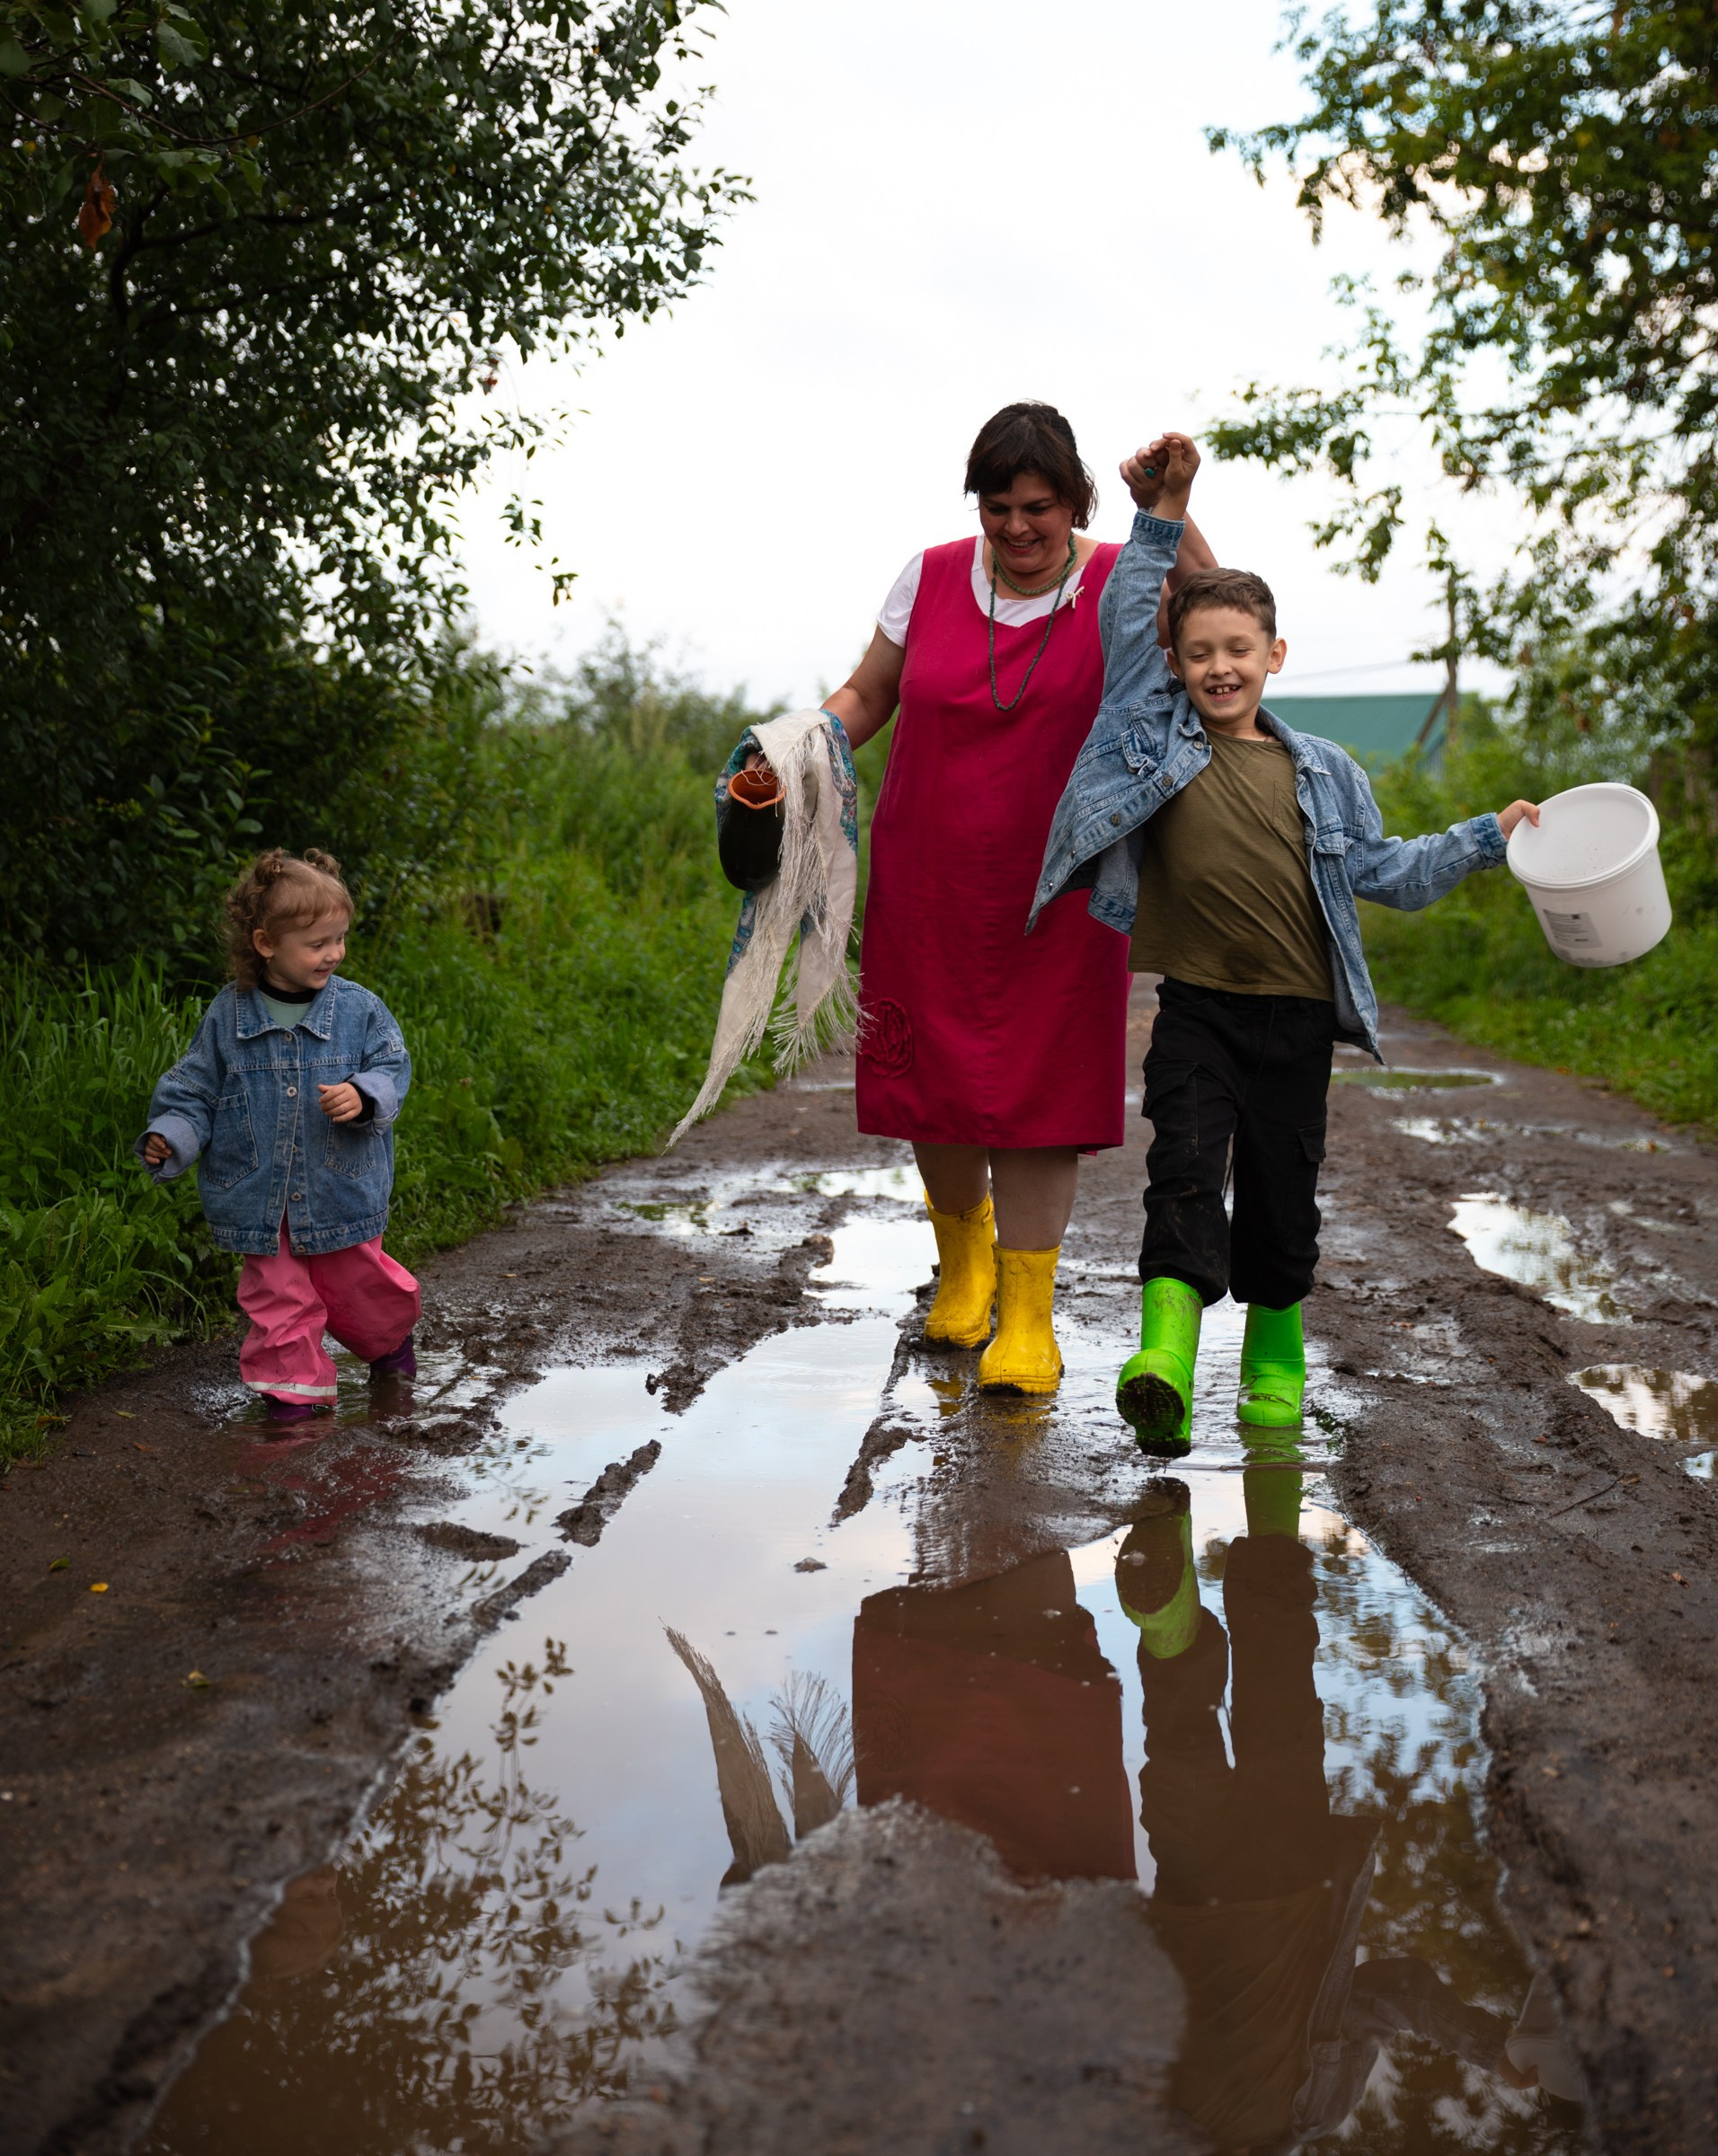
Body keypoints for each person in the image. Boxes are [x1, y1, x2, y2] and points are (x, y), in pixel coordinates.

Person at [1031, 437, 1541, 1452]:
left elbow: (1383, 869)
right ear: (1175, 666)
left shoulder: (1326, 771)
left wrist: (1488, 836)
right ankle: (1163, 1362)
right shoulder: (1153, 735)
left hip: (1299, 1024)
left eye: (1238, 649)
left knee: (1279, 1196)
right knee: (1181, 1174)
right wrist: (1163, 513)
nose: (1219, 667)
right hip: (1198, 1012)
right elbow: (1130, 611)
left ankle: (1273, 1358)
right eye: (1200, 652)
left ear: (1274, 654)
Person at [819, 402, 1216, 1394]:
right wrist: (794, 746)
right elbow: (870, 695)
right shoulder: (931, 574)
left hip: (1069, 888)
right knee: (935, 1078)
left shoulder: (1124, 576)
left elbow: (1218, 610)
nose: (1016, 528)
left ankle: (1030, 1317)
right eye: (997, 508)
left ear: (1075, 501)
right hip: (928, 877)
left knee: (1041, 1094)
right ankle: (963, 1270)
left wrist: (1171, 505)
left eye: (1037, 507)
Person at [137, 848, 420, 1423]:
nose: (334, 954)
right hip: (259, 1198)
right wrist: (171, 1134)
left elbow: (393, 1067)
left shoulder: (358, 1010)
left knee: (359, 1287)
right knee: (276, 1297)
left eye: (340, 939)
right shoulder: (228, 1016)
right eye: (317, 944)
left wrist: (364, 1094)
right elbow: (195, 1090)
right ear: (267, 944)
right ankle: (294, 1396)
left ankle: (387, 1343)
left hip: (338, 1190)